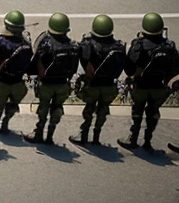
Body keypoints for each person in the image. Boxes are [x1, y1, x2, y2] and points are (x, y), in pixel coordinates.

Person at [118, 13, 179, 151]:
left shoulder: (139, 45)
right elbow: (175, 69)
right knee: (153, 113)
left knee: (137, 113)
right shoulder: (169, 46)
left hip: (141, 86)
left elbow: (128, 68)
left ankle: (132, 139)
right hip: (159, 87)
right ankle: (148, 141)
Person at [69, 15, 126, 146]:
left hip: (93, 85)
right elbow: (121, 67)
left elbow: (85, 65)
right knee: (103, 111)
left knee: (89, 110)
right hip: (109, 85)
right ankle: (96, 137)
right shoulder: (118, 47)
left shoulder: (88, 45)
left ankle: (83, 135)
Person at [24, 13, 80, 145]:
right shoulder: (72, 46)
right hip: (63, 85)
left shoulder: (47, 44)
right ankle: (50, 135)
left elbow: (39, 65)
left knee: (43, 108)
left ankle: (38, 133)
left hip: (47, 84)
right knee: (57, 108)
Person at [0, 10, 33, 134]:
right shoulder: (26, 45)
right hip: (18, 83)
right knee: (13, 105)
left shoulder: (0, 42)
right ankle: (6, 122)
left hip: (1, 82)